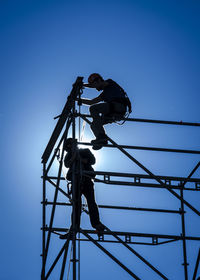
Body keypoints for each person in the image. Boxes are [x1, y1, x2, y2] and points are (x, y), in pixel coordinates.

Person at [60, 138, 105, 239]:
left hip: (87, 178)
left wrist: (81, 159)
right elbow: (67, 164)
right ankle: (74, 228)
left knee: (91, 202)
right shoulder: (68, 155)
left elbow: (93, 161)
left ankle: (97, 224)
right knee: (76, 204)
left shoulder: (85, 151)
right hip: (75, 179)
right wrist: (73, 157)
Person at [79, 73, 132, 150]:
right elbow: (91, 102)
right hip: (114, 113)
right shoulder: (104, 94)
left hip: (119, 107)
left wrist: (83, 85)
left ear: (99, 80)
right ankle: (101, 140)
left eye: (95, 85)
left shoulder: (109, 82)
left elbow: (94, 87)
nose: (96, 88)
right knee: (94, 125)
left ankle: (102, 136)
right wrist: (78, 100)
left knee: (93, 109)